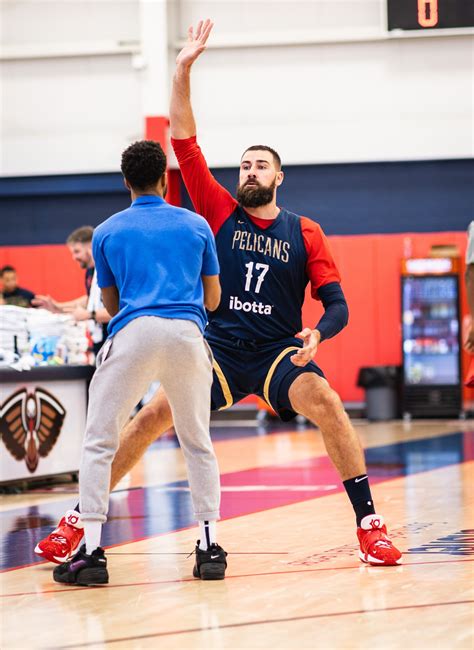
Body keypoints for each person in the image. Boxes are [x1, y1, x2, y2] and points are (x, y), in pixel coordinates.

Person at [36, 19, 401, 568]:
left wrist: (318, 333)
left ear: (280, 178)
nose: (249, 170)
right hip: (219, 350)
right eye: (245, 164)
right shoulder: (217, 210)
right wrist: (182, 69)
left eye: (261, 165)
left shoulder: (306, 232)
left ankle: (369, 523)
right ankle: (77, 522)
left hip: (279, 351)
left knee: (327, 403)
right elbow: (183, 139)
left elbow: (339, 306)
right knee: (149, 419)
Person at [51, 139, 226, 586]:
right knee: (197, 442)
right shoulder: (196, 224)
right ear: (165, 180)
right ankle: (209, 549)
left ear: (126, 181)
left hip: (135, 332)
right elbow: (213, 298)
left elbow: (109, 303)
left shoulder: (107, 231)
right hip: (187, 335)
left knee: (99, 442)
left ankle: (91, 552)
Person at [32, 227, 111, 355]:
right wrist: (58, 307)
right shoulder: (91, 272)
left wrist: (89, 315)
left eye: (77, 251)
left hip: (112, 339)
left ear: (90, 247)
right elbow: (90, 300)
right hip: (99, 339)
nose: (74, 257)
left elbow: (117, 310)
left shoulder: (108, 269)